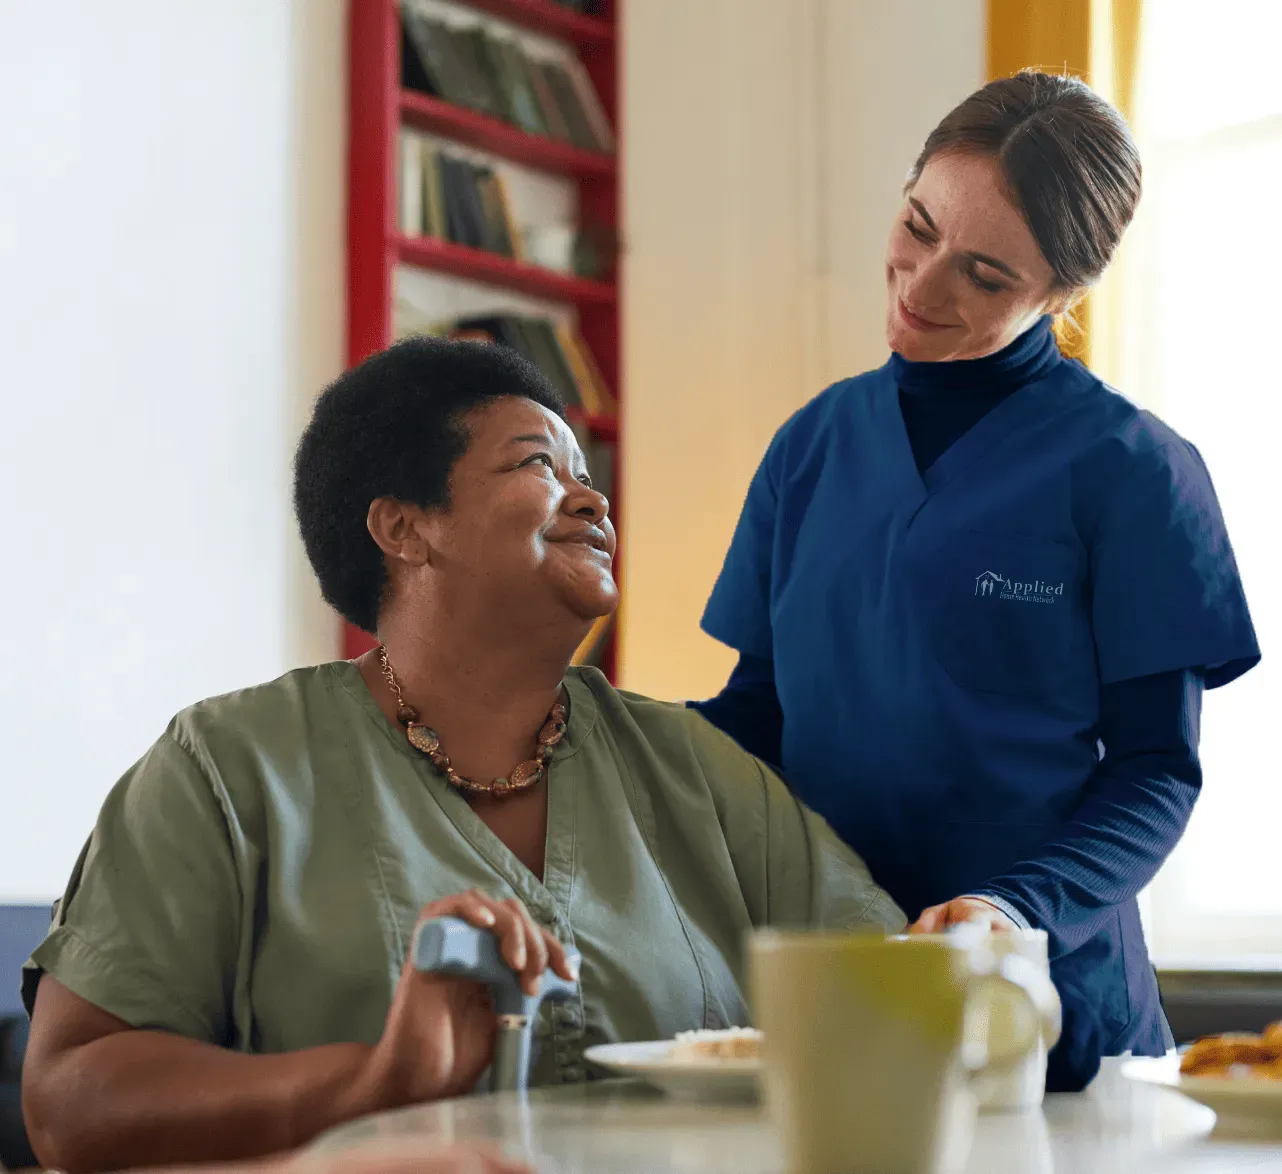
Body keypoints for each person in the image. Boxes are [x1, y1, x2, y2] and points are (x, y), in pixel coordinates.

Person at [20, 338, 904, 1174]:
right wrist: (374, 1085)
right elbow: (69, 1098)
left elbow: (894, 983)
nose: (593, 500)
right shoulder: (226, 770)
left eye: (587, 476)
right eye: (536, 466)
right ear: (405, 529)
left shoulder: (697, 771)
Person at [691, 71, 1260, 1063]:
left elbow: (1153, 770)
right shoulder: (809, 445)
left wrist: (1013, 907)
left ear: (1064, 293)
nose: (920, 285)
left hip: (1045, 1016)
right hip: (845, 997)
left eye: (984, 275)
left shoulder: (1133, 471)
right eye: (918, 226)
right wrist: (589, 742)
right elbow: (758, 715)